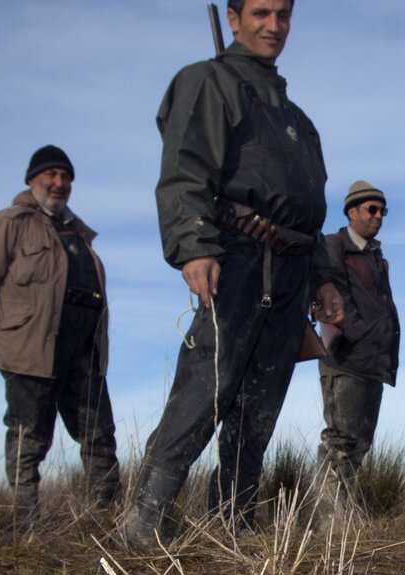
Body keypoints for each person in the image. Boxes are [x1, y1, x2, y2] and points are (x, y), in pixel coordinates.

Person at [123, 0, 344, 546]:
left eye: (284, 15)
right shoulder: (206, 81)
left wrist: (324, 277)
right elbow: (184, 170)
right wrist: (194, 245)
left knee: (261, 403)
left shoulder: (299, 120)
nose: (274, 26)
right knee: (207, 387)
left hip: (293, 270)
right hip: (238, 257)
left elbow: (310, 211)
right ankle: (143, 518)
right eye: (261, 13)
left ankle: (234, 522)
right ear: (233, 17)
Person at [0, 145, 119, 529]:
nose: (59, 183)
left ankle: (108, 521)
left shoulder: (80, 234)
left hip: (83, 353)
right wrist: (7, 331)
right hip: (30, 352)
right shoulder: (10, 222)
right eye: (50, 174)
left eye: (65, 177)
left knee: (100, 437)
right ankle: (23, 526)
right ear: (31, 179)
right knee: (29, 438)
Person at [313, 181, 400, 522]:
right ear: (352, 212)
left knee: (359, 444)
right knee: (340, 441)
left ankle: (341, 515)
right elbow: (328, 296)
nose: (378, 216)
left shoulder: (376, 257)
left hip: (374, 362)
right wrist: (355, 332)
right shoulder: (333, 246)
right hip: (345, 359)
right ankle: (330, 520)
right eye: (371, 209)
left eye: (382, 211)